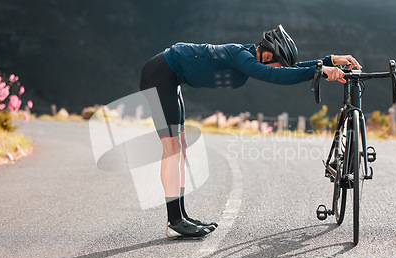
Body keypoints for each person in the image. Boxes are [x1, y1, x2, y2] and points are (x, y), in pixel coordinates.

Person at [139, 24, 362, 239]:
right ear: (267, 56)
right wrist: (321, 71)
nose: (282, 68)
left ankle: (180, 218)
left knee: (180, 147)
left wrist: (329, 61)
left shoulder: (247, 57)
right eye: (278, 63)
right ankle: (175, 222)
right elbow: (275, 75)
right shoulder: (241, 56)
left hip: (171, 79)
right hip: (159, 76)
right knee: (172, 150)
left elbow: (289, 68)